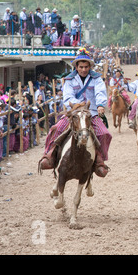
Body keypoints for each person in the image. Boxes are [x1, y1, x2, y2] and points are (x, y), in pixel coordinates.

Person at [38, 48, 112, 178]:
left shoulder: (97, 79)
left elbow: (100, 92)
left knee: (104, 133)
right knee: (56, 128)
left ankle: (100, 160)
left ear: (90, 66)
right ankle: (49, 155)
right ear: (76, 67)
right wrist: (79, 105)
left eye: (86, 66)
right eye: (81, 67)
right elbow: (67, 98)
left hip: (91, 113)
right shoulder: (69, 80)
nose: (84, 69)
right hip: (74, 112)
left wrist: (100, 105)